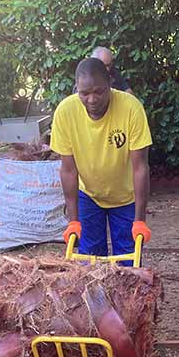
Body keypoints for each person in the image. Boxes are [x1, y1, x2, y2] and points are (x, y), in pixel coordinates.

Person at [51, 57, 152, 262]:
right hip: (88, 195)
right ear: (76, 89)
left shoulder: (131, 108)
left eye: (98, 91)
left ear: (110, 85)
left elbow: (140, 167)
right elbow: (68, 170)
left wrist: (139, 220)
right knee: (90, 260)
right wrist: (73, 221)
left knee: (128, 261)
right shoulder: (65, 112)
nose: (92, 99)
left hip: (126, 197)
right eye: (84, 93)